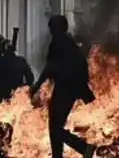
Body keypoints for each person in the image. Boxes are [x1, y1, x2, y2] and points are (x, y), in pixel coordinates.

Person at [31, 15, 96, 158]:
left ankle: (83, 147)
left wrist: (36, 87)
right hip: (69, 88)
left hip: (66, 89)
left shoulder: (59, 42)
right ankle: (60, 154)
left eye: (53, 27)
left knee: (55, 127)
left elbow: (50, 68)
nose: (51, 31)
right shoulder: (68, 42)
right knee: (55, 126)